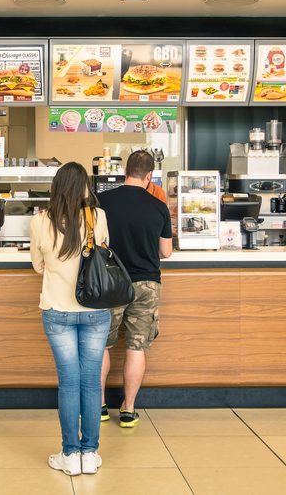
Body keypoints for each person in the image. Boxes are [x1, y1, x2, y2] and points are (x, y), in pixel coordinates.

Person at [30, 162, 111, 477]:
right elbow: (102, 254)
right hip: (94, 312)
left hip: (57, 311)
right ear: (85, 188)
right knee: (91, 383)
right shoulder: (98, 217)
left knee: (68, 383)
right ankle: (89, 454)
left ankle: (69, 455)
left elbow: (38, 266)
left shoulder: (40, 222)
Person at [98, 150, 173, 428]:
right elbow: (166, 252)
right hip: (146, 283)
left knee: (101, 345)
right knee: (136, 346)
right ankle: (128, 409)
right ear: (150, 175)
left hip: (109, 281)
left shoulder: (102, 201)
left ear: (125, 171)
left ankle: (100, 407)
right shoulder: (158, 206)